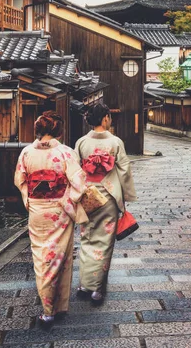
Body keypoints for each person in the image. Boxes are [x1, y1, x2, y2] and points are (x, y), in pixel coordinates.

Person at [14, 111, 87, 327]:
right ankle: (52, 309)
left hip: (37, 210)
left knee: (42, 258)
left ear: (38, 130)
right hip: (60, 210)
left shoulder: (26, 153)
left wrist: (29, 200)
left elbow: (20, 180)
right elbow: (79, 183)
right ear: (58, 131)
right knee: (61, 256)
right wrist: (68, 198)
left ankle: (54, 307)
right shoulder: (66, 153)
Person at [74, 103, 136, 303]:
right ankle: (97, 289)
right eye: (109, 117)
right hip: (108, 195)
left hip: (88, 196)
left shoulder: (82, 142)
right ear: (105, 118)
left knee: (87, 238)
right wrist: (126, 197)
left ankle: (84, 284)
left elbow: (76, 170)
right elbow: (124, 170)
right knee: (105, 243)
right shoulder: (115, 142)